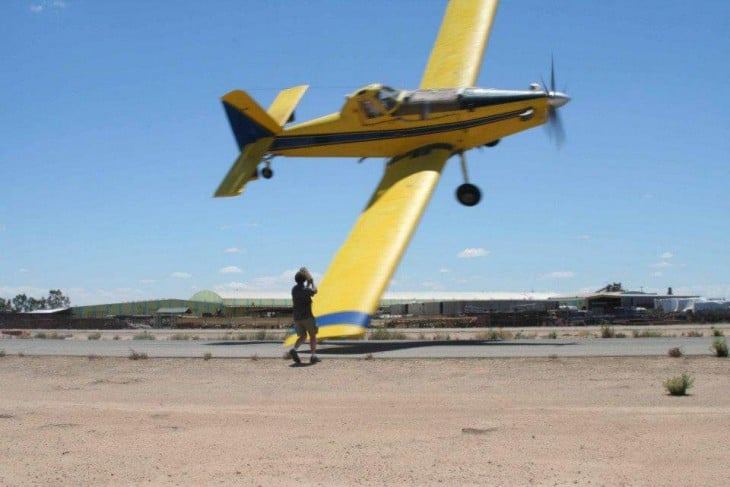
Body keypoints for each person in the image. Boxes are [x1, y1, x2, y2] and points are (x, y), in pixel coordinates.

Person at [287, 267, 320, 364]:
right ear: (304, 280)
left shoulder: (294, 289)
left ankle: (294, 349)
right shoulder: (306, 290)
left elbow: (305, 289)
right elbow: (314, 291)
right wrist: (312, 282)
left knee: (303, 336)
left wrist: (308, 282)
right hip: (307, 317)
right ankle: (313, 356)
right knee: (312, 336)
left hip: (297, 318)